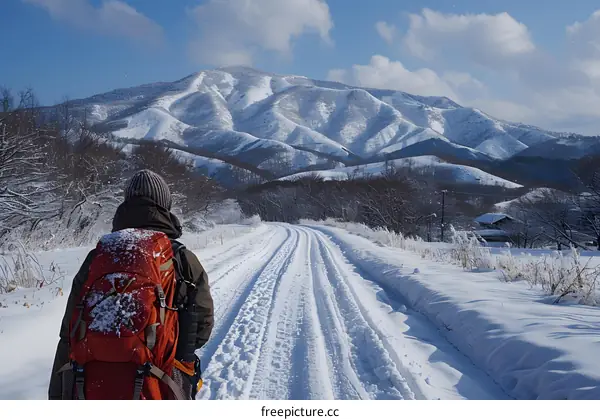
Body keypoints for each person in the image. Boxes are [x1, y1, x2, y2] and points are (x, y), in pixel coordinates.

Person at [48, 169, 214, 400]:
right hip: (157, 381)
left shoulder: (99, 255)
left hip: (93, 382)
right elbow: (202, 330)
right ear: (165, 206)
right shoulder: (182, 259)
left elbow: (69, 331)